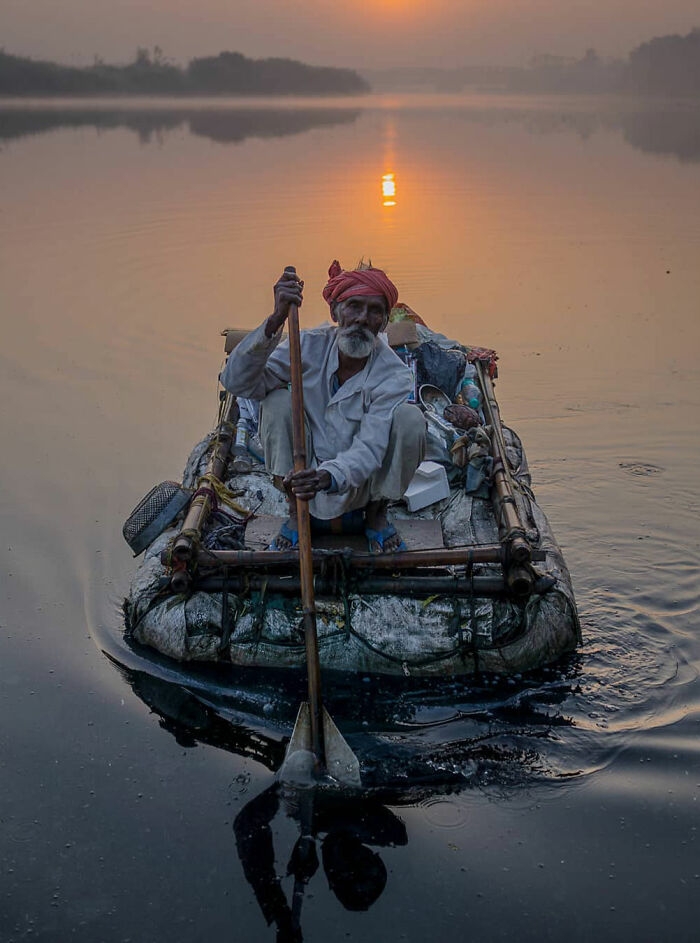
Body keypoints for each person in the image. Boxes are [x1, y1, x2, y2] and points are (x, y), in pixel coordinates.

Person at [221, 260, 426, 552]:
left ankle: (377, 514)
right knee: (276, 400)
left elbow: (371, 446)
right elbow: (237, 383)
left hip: (362, 479)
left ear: (383, 323)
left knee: (410, 419)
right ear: (335, 312)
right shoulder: (306, 346)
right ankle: (296, 514)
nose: (362, 319)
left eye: (374, 311)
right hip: (304, 473)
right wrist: (276, 319)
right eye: (353, 306)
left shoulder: (393, 374)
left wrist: (328, 477)